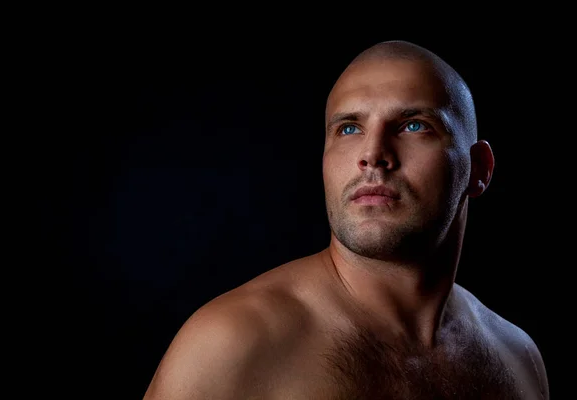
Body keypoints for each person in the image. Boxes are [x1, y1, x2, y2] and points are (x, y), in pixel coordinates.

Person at [142, 40, 549, 399]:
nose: (373, 154)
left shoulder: (517, 358)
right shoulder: (232, 343)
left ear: (479, 169)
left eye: (413, 125)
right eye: (349, 128)